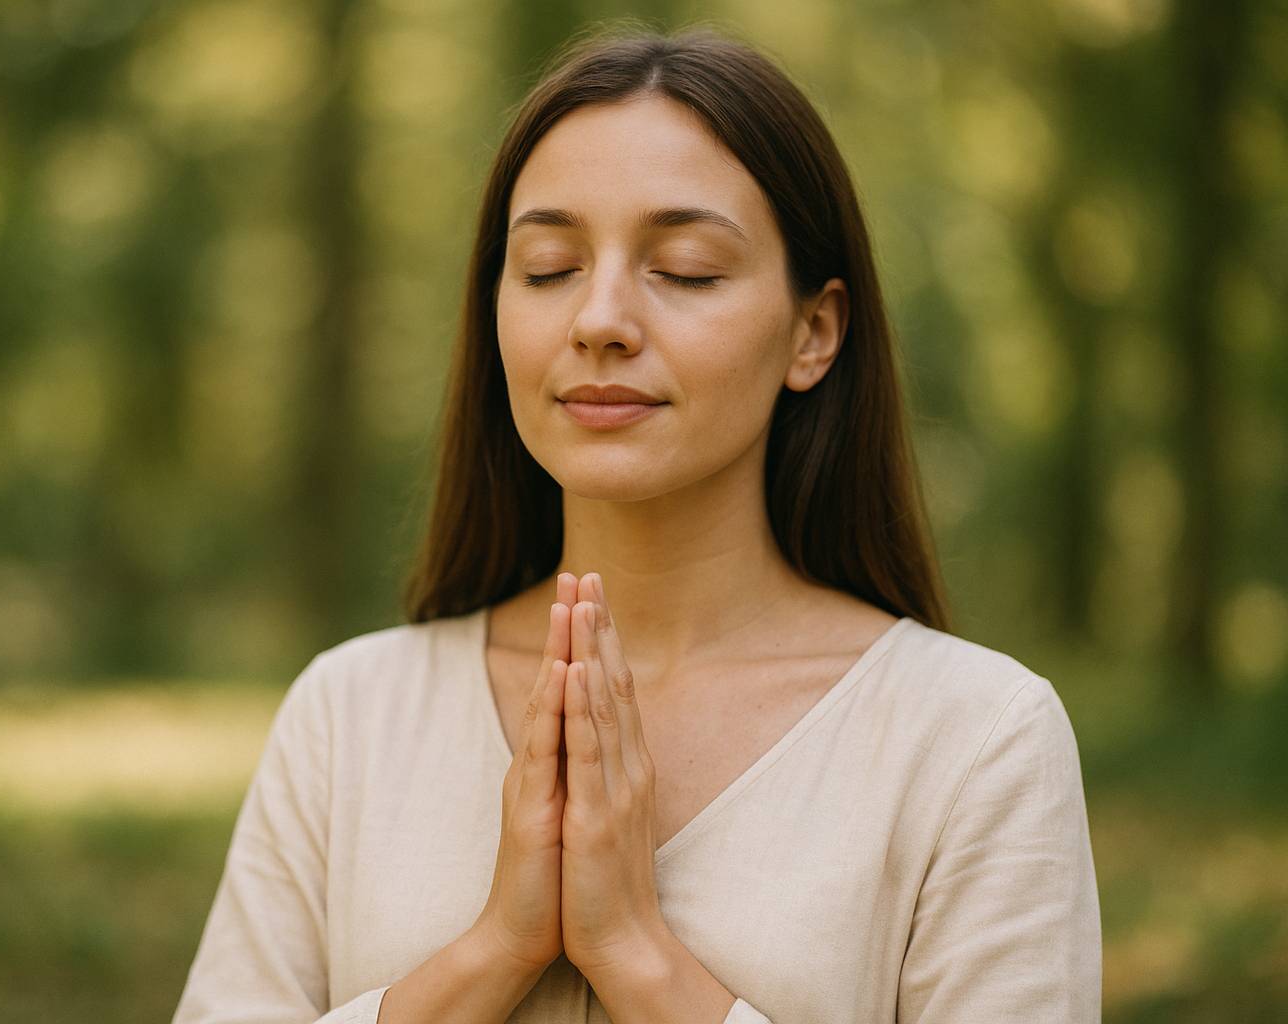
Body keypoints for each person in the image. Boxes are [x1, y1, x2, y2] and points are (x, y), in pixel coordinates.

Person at [172, 23, 1101, 1024]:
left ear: (814, 331)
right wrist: (493, 952)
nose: (599, 318)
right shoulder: (348, 717)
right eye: (547, 267)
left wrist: (640, 958)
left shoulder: (974, 741)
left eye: (688, 268)